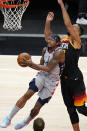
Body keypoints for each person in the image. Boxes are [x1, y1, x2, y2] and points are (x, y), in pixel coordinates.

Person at [0, 13, 65, 130]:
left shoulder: (59, 53)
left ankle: (26, 121)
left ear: (57, 43)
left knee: (36, 108)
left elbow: (48, 68)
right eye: (48, 39)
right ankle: (8, 118)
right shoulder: (45, 49)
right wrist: (48, 21)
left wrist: (30, 64)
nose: (48, 40)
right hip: (42, 76)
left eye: (51, 40)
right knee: (27, 95)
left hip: (52, 81)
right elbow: (41, 65)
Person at [57, 0, 87, 131]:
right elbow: (49, 39)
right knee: (70, 109)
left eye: (75, 27)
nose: (73, 27)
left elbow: (67, 24)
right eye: (73, 26)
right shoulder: (63, 38)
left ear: (79, 33)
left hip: (75, 79)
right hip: (64, 79)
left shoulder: (77, 42)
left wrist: (63, 6)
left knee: (80, 108)